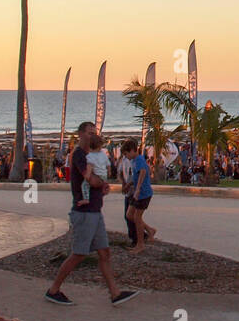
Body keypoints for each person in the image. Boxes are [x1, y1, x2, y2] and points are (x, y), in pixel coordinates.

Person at [45, 122, 138, 306]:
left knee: (104, 253)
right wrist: (100, 183)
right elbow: (89, 178)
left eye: (94, 133)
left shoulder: (92, 155)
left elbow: (98, 178)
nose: (91, 136)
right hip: (84, 212)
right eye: (88, 133)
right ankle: (53, 290)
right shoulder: (79, 155)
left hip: (95, 211)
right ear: (80, 134)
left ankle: (115, 293)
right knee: (79, 254)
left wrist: (102, 184)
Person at [127, 141, 157, 255]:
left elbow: (143, 172)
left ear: (132, 150)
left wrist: (138, 188)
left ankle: (140, 244)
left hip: (143, 193)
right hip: (137, 192)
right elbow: (135, 176)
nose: (126, 157)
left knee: (137, 217)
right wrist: (129, 185)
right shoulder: (135, 160)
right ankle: (150, 230)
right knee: (129, 215)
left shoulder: (139, 159)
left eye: (126, 154)